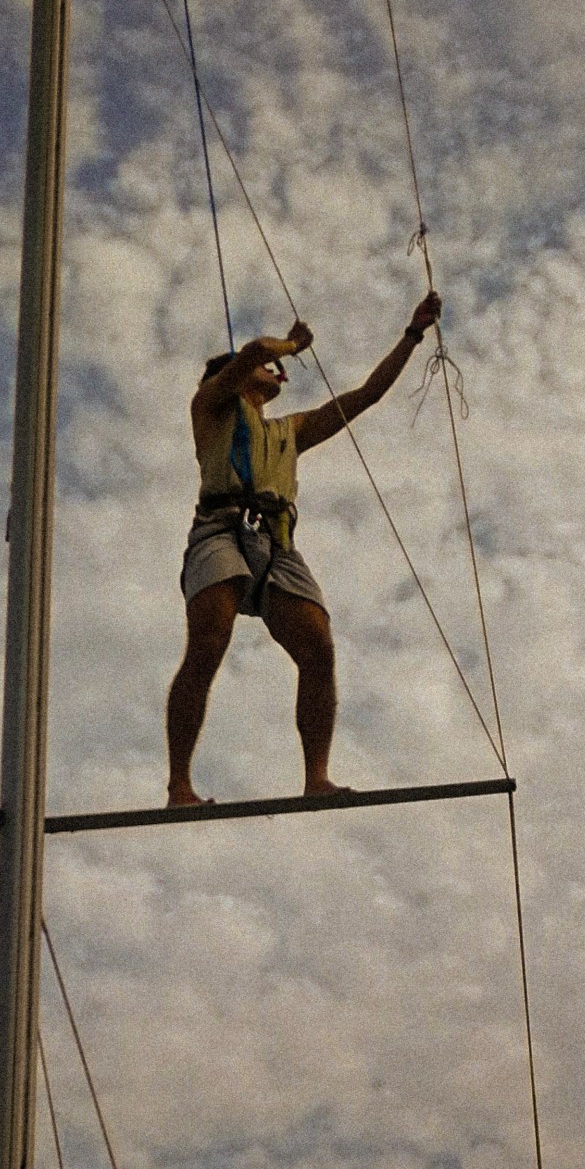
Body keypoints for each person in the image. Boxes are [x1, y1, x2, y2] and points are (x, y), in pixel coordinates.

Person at [166, 290, 443, 806]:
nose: (275, 371)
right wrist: (291, 345)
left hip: (276, 542)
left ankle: (317, 776)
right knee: (209, 640)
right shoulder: (211, 404)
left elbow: (366, 395)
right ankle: (179, 785)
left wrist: (413, 333)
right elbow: (252, 352)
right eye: (267, 369)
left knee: (318, 648)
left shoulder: (288, 430)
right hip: (220, 528)